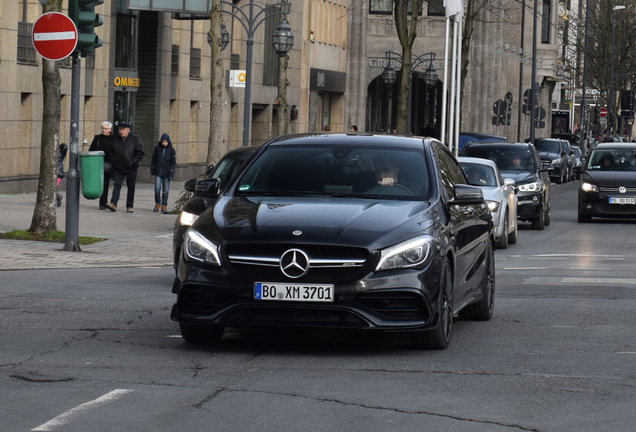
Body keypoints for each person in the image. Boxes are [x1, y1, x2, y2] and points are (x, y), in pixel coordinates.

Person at [105, 122, 145, 213]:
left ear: (128, 130)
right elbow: (110, 152)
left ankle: (129, 206)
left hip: (131, 168)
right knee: (117, 185)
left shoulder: (135, 139)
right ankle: (113, 203)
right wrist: (114, 161)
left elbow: (140, 153)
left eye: (123, 130)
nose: (121, 132)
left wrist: (133, 161)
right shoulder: (115, 140)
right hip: (119, 167)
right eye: (120, 130)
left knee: (131, 187)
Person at [88, 121, 115, 210]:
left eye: (105, 128)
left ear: (110, 129)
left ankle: (104, 203)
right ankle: (102, 202)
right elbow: (91, 149)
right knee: (100, 183)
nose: (103, 130)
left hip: (108, 164)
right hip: (97, 163)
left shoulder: (114, 139)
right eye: (102, 128)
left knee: (105, 183)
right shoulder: (97, 138)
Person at [150, 133, 176, 214]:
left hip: (167, 173)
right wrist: (152, 169)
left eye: (166, 142)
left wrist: (171, 173)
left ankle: (164, 205)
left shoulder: (171, 150)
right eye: (163, 142)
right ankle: (157, 203)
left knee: (165, 190)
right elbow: (153, 159)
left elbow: (173, 163)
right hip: (158, 171)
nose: (164, 144)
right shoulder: (157, 148)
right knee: (157, 188)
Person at [56, 142, 68, 207]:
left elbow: (65, 147)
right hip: (52, 173)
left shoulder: (60, 153)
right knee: (52, 188)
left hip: (58, 173)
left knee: (53, 187)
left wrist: (61, 145)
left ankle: (58, 197)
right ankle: (58, 196)